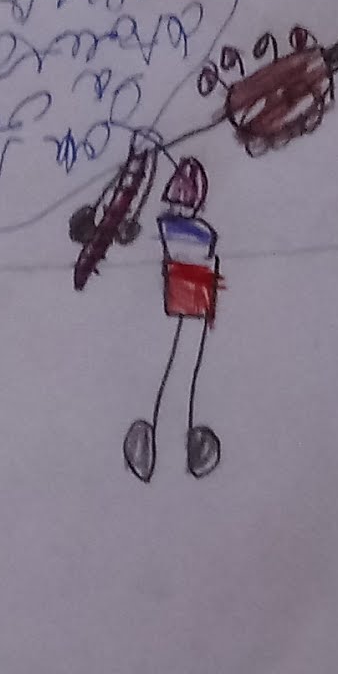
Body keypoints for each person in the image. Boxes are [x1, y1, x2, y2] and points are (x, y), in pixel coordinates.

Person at [127, 155, 224, 482]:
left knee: (179, 366)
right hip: (191, 291)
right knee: (180, 365)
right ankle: (169, 450)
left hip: (191, 290)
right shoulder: (196, 233)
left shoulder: (180, 231)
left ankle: (167, 451)